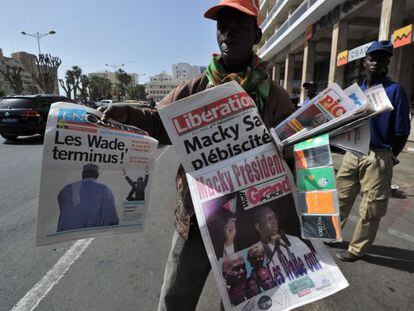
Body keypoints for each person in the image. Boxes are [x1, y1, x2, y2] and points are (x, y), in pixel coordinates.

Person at [99, 1, 294, 309]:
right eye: (222, 28)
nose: (227, 35)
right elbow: (159, 122)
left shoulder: (275, 96)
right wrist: (131, 114)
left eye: (238, 27)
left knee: (244, 297)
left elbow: (294, 150)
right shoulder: (196, 86)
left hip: (250, 218)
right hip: (197, 218)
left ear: (256, 36)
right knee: (176, 296)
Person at [335, 40, 411, 262]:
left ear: (388, 62)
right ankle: (332, 235)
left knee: (371, 208)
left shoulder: (395, 90)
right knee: (340, 197)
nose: (376, 62)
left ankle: (357, 249)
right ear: (364, 63)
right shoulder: (357, 91)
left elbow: (402, 131)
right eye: (372, 58)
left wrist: (389, 156)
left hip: (378, 155)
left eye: (381, 58)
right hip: (352, 153)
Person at [57, 163, 119, 232]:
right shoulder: (105, 190)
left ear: (83, 174)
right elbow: (112, 218)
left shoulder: (67, 188)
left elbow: (62, 205)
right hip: (91, 235)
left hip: (65, 235)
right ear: (97, 175)